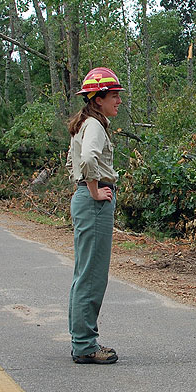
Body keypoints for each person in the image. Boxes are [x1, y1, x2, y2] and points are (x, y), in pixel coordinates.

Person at [65, 67, 124, 364]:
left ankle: (82, 340)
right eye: (114, 96)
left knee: (84, 273)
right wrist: (94, 189)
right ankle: (86, 345)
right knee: (92, 276)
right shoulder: (95, 127)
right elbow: (88, 159)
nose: (119, 101)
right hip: (94, 202)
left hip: (85, 200)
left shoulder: (85, 124)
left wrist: (84, 188)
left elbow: (72, 161)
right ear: (98, 99)